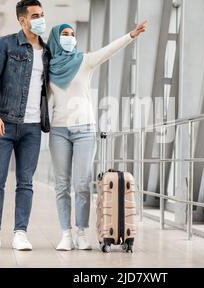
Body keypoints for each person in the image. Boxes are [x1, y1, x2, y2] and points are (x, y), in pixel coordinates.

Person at [47, 21, 147, 250]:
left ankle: (81, 233)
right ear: (55, 38)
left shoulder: (84, 60)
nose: (70, 38)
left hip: (84, 130)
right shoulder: (49, 68)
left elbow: (109, 50)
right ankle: (65, 234)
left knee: (81, 183)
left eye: (73, 34)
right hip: (59, 130)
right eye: (64, 34)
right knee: (62, 185)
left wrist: (131, 35)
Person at [0, 0, 50, 251]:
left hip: (32, 127)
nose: (41, 19)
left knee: (25, 182)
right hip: (4, 123)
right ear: (23, 20)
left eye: (42, 14)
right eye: (36, 16)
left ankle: (21, 233)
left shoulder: (48, 52)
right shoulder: (6, 44)